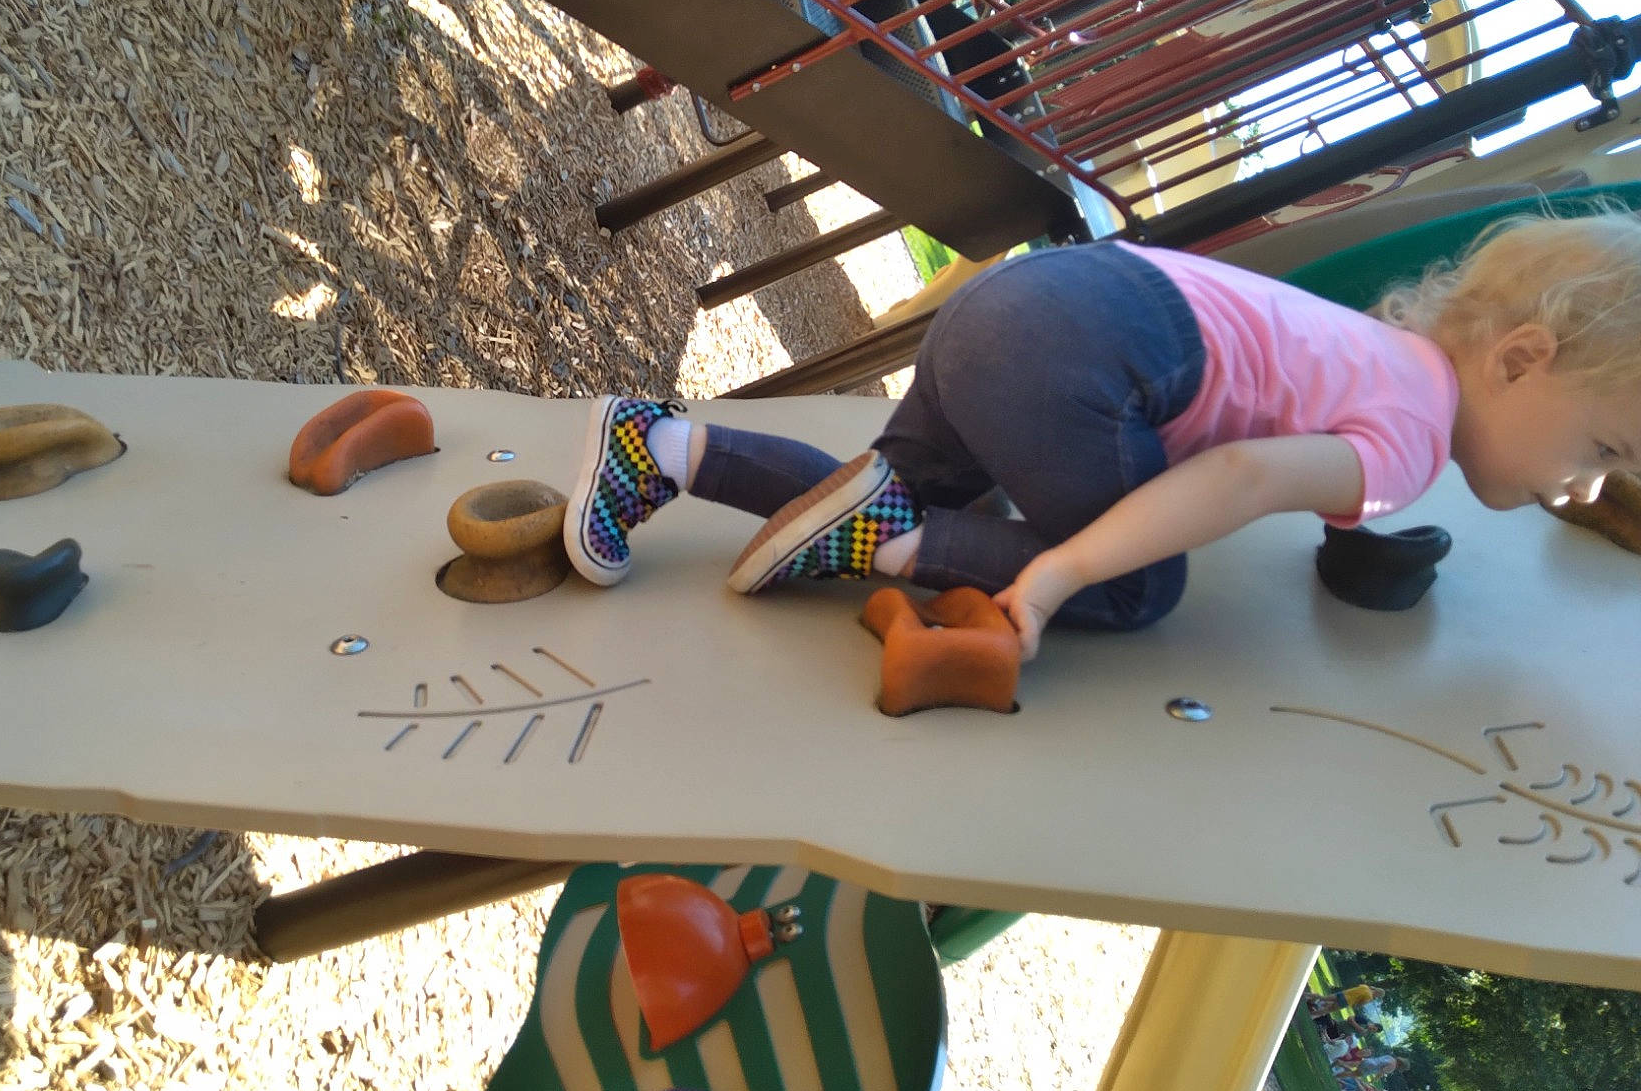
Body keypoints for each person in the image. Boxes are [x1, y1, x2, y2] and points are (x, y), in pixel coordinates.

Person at [563, 211, 1641, 658]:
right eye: (1605, 449)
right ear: (1519, 360)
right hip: (1078, 362)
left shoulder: (1384, 354)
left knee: (889, 479)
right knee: (1138, 588)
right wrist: (1059, 575)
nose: (1592, 489)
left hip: (1029, 300)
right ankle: (889, 541)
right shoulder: (1406, 452)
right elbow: (1240, 476)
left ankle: (658, 449)